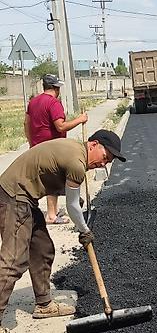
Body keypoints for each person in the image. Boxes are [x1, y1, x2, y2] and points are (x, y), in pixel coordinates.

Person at [0, 129, 126, 333]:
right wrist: (85, 230)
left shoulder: (76, 155)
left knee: (43, 249)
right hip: (13, 195)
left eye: (109, 161)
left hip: (25, 198)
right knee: (13, 261)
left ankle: (44, 304)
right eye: (105, 156)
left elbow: (67, 192)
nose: (104, 163)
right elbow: (72, 207)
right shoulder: (76, 161)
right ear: (93, 144)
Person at [24, 74, 88, 225]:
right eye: (58, 87)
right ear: (55, 88)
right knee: (52, 178)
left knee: (45, 178)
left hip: (38, 147)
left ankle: (56, 207)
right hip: (53, 148)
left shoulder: (33, 102)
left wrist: (31, 142)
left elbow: (26, 123)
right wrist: (80, 120)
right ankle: (52, 215)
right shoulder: (53, 103)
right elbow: (60, 126)